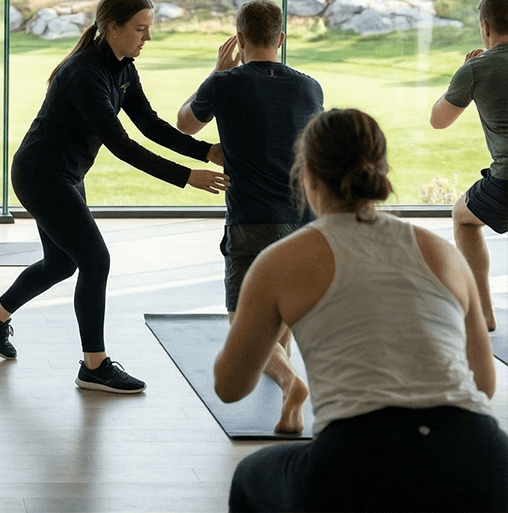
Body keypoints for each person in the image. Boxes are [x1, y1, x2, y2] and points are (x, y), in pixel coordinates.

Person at [216, 108, 506, 512]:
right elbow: (484, 384)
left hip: (357, 456)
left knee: (251, 477)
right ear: (382, 171)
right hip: (479, 453)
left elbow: (230, 387)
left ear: (308, 178)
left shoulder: (280, 261)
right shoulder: (443, 253)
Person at [0, 0, 229, 393]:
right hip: (41, 175)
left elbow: (150, 125)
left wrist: (205, 151)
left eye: (149, 29)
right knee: (95, 259)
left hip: (65, 175)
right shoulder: (85, 73)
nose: (148, 37)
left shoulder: (123, 67)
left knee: (62, 263)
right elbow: (123, 145)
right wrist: (186, 176)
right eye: (141, 29)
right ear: (112, 27)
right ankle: (94, 365)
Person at [176, 0, 323, 433]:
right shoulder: (310, 87)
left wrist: (217, 72)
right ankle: (285, 398)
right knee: (283, 305)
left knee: (242, 320)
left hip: (253, 217)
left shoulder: (225, 84)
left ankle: (289, 381)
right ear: (281, 38)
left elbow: (185, 124)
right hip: (305, 219)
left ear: (238, 40)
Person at [430, 0, 508, 332]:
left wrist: (464, 72)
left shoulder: (475, 69)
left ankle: (483, 313)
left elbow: (439, 120)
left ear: (485, 27)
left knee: (463, 217)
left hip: (505, 181)